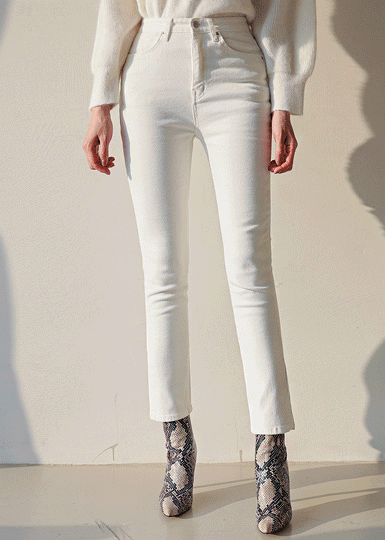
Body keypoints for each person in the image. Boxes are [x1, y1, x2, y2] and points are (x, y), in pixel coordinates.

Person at [83, 0, 316, 534]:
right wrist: (101, 99)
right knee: (162, 273)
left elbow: (284, 7)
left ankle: (270, 452)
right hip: (149, 63)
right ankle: (178, 444)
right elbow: (116, 7)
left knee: (251, 268)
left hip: (236, 62)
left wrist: (285, 98)